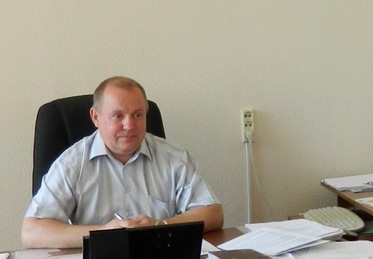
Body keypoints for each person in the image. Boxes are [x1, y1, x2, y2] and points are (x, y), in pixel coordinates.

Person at [21, 76, 224, 249]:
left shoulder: (173, 158)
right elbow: (31, 232)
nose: (129, 125)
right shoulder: (71, 164)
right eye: (118, 116)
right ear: (95, 117)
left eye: (137, 115)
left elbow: (213, 213)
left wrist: (159, 226)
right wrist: (102, 233)